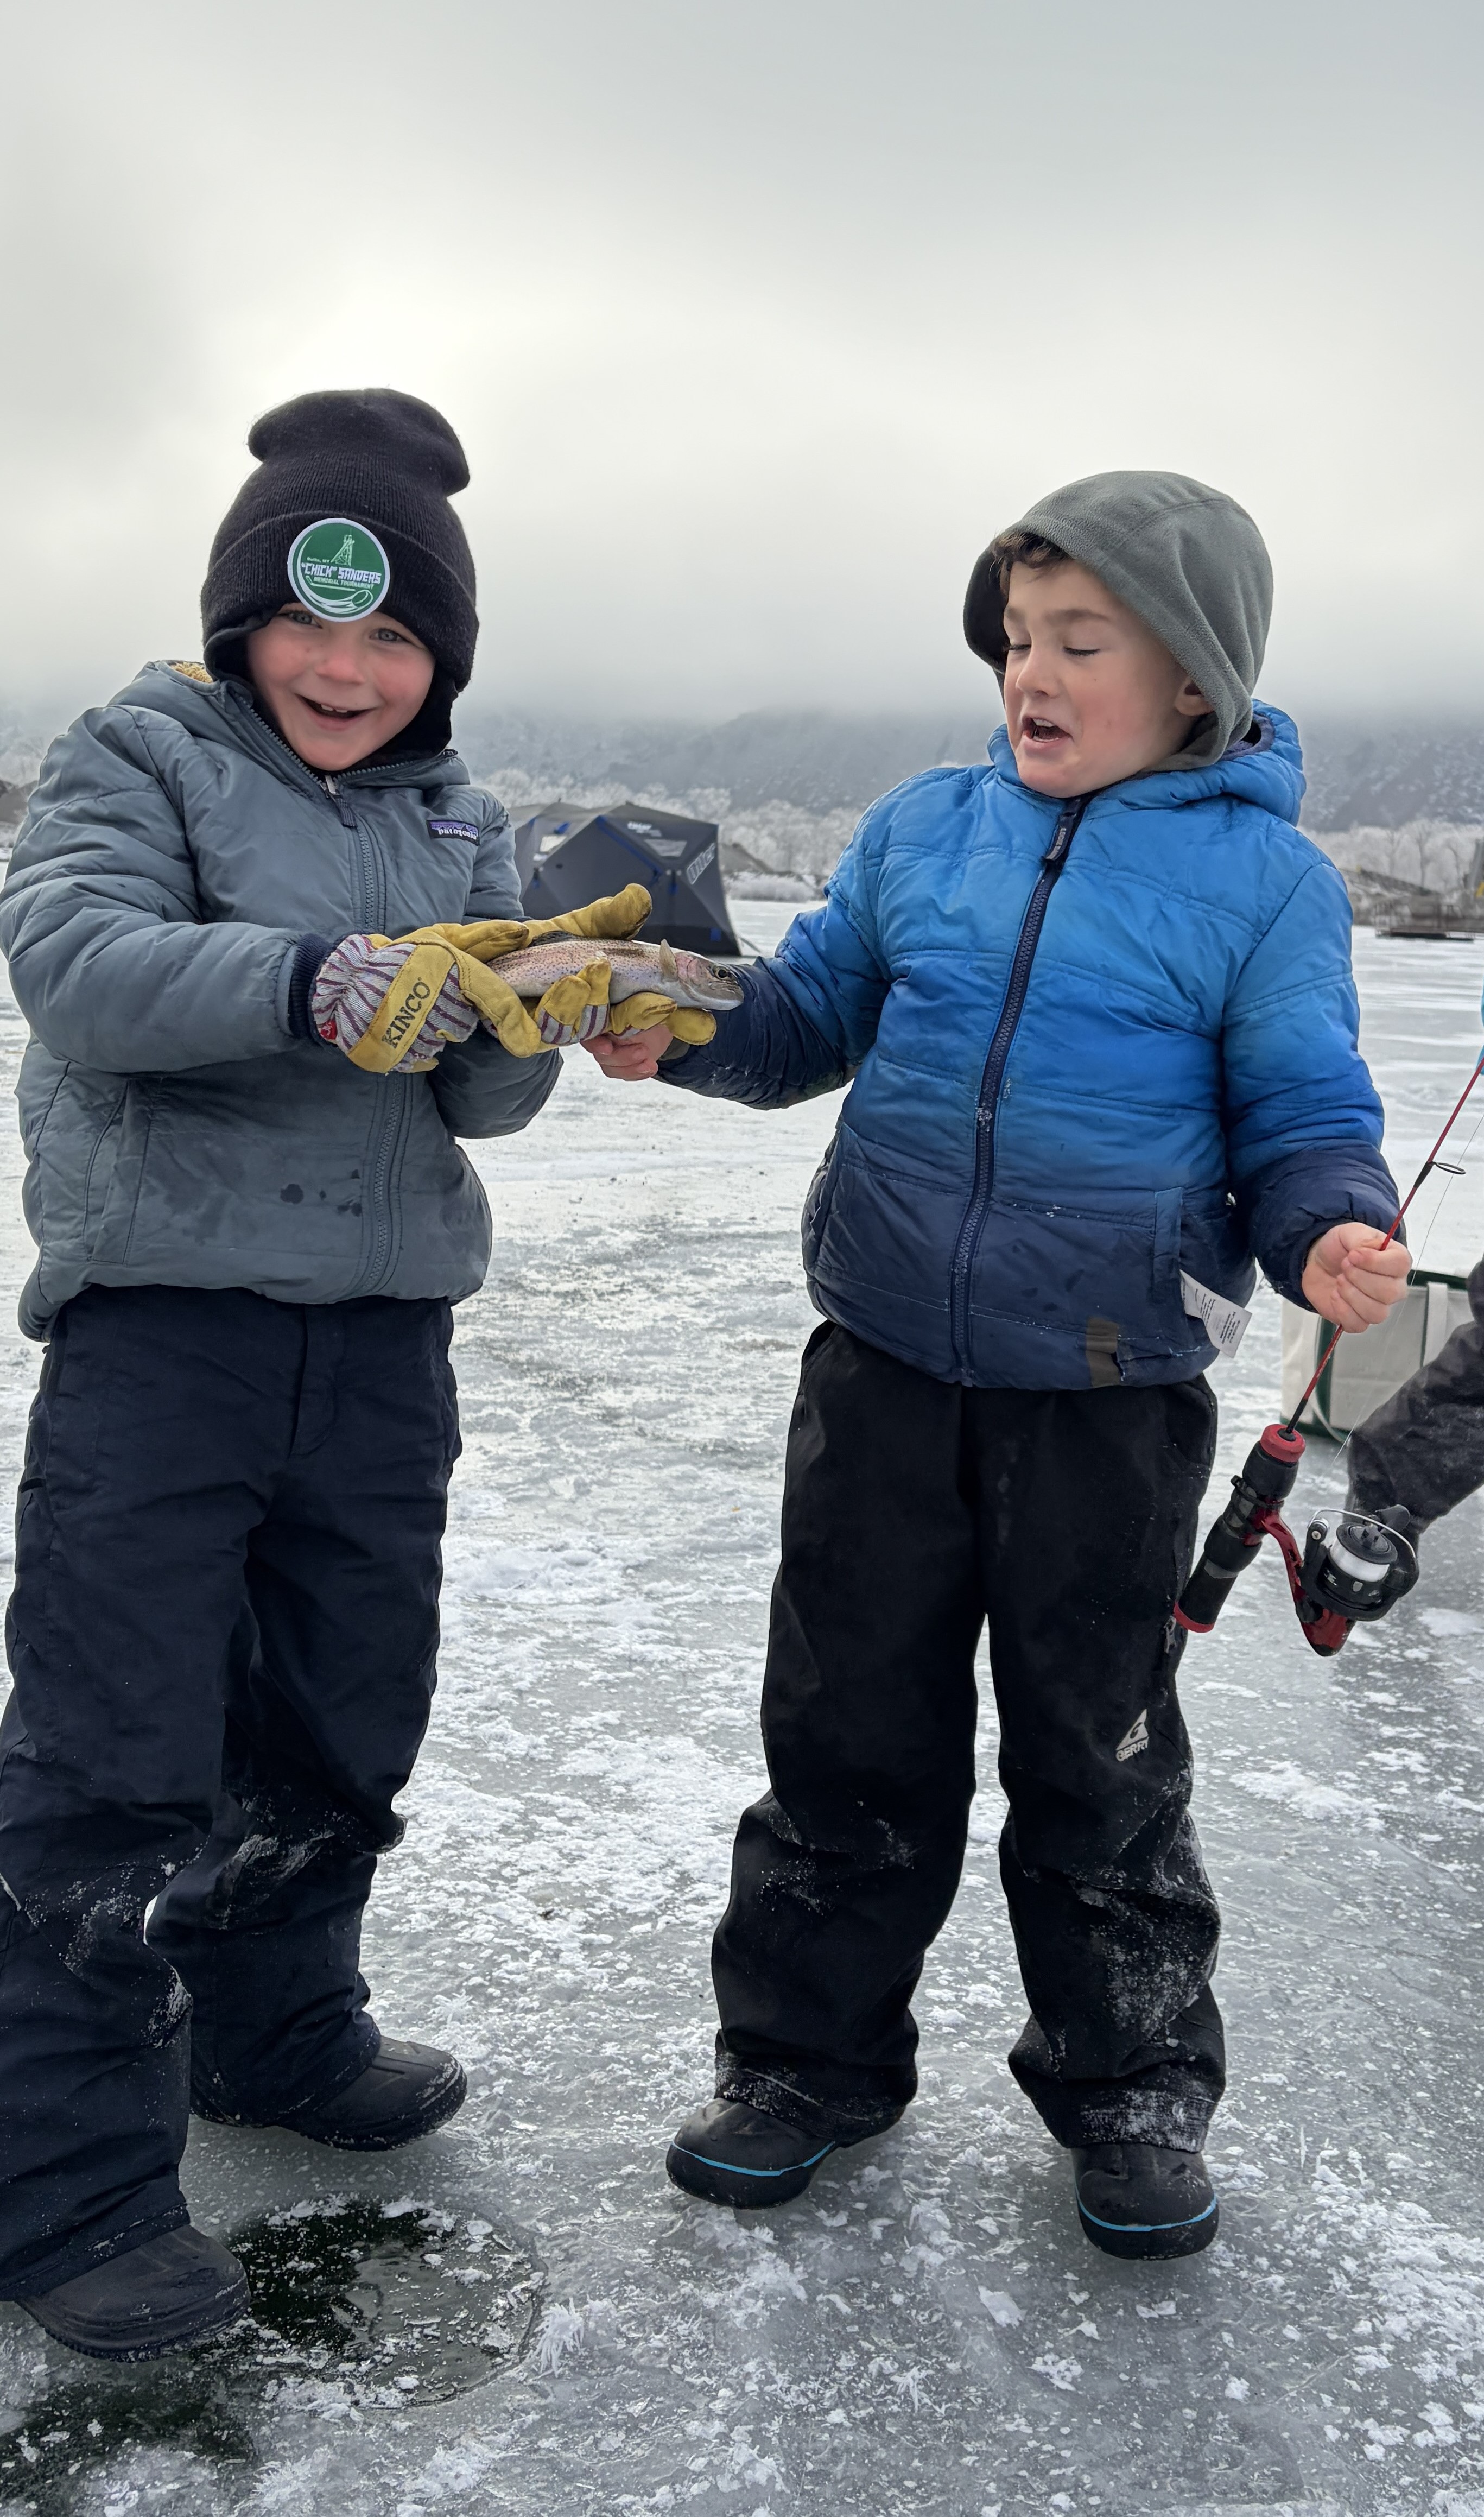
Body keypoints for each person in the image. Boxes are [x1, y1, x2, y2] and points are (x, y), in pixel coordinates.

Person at [587, 470, 1412, 2259]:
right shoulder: (923, 828)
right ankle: (806, 2061)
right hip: (883, 1358)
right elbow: (807, 1013)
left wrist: (1329, 1225)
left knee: (1097, 1748)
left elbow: (1300, 1109)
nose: (1030, 674)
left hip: (1109, 1389)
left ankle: (1129, 2083)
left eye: (1079, 642)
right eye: (1017, 640)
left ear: (1192, 674)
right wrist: (685, 1022)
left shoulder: (1265, 885)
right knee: (846, 1718)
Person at [0, 388, 572, 2360]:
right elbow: (73, 962)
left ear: (443, 656)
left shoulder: (456, 815)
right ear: (243, 620)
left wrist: (555, 1001)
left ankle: (282, 2028)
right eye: (313, 624)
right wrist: (311, 977)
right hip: (165, 1335)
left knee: (343, 1712)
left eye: (395, 633)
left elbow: (485, 1090)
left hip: (382, 1340)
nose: (348, 667)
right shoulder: (134, 750)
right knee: (111, 1753)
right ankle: (67, 2187)